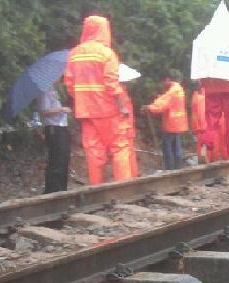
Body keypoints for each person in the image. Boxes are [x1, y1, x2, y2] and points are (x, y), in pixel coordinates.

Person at [64, 15, 133, 185]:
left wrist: (83, 101)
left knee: (93, 151)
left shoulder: (73, 54)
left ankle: (96, 188)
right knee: (119, 147)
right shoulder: (106, 53)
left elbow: (70, 85)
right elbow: (111, 83)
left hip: (85, 111)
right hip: (108, 110)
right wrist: (122, 106)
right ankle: (124, 188)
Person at [144, 73, 189, 170]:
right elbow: (165, 99)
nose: (162, 85)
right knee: (176, 146)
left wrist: (150, 107)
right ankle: (178, 167)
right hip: (178, 122)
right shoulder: (178, 89)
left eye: (163, 82)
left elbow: (163, 104)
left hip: (172, 123)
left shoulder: (173, 91)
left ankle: (170, 168)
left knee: (167, 146)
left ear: (167, 79)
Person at [37, 86, 71, 193]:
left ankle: (61, 188)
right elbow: (43, 111)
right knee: (57, 160)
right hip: (54, 129)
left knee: (63, 159)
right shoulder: (44, 92)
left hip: (61, 127)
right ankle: (53, 190)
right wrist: (61, 109)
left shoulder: (54, 90)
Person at [191, 82, 208, 162]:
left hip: (202, 127)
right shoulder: (197, 97)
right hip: (201, 127)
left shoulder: (197, 97)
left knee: (205, 147)